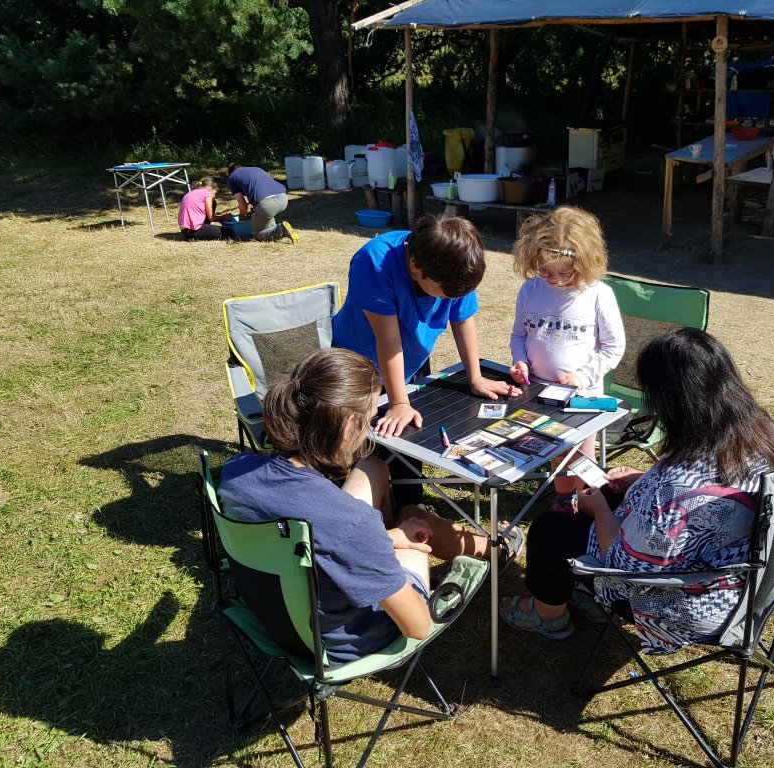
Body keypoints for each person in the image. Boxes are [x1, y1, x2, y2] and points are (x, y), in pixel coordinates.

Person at [218, 348, 523, 664]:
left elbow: (324, 544)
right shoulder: (350, 522)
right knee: (415, 521)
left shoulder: (236, 471)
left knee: (373, 467)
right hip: (342, 641)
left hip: (273, 619)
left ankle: (480, 549)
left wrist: (386, 539)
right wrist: (390, 543)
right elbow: (417, 626)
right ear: (349, 425)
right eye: (369, 418)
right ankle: (495, 551)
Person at [500, 328, 774, 645]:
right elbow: (706, 492)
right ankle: (579, 592)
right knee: (607, 489)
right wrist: (642, 480)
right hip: (742, 574)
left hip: (687, 604)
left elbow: (623, 562)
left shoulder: (676, 483)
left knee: (549, 531)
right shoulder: (764, 434)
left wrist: (597, 508)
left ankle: (548, 616)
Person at [332, 213, 521, 506]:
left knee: (408, 437)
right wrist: (399, 402)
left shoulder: (454, 266)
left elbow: (463, 318)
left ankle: (411, 504)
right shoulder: (374, 262)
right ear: (415, 267)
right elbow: (388, 341)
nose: (452, 298)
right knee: (368, 443)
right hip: (361, 362)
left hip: (410, 357)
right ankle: (367, 510)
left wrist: (475, 377)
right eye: (447, 293)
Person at [508, 206, 625, 514]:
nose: (556, 281)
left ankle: (588, 503)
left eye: (565, 273)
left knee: (579, 456)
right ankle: (563, 500)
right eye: (546, 272)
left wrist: (582, 376)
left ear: (585, 262)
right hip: (538, 392)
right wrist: (520, 362)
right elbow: (519, 335)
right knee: (555, 452)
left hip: (581, 397)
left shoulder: (597, 294)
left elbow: (613, 347)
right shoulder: (530, 290)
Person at [226, 163, 298, 243]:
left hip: (267, 205)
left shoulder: (232, 177)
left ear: (230, 173)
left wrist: (242, 216)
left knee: (258, 233)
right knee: (265, 214)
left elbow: (242, 204)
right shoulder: (256, 169)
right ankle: (277, 228)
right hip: (283, 198)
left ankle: (281, 230)